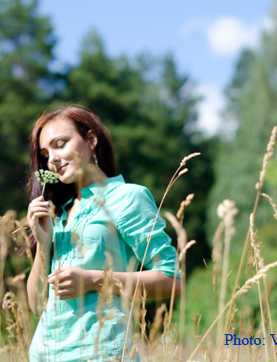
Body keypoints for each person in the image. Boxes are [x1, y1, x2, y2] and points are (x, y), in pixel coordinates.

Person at [25, 105, 182, 362]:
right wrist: (43, 246)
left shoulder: (128, 197)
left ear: (91, 139)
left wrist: (94, 280)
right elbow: (36, 305)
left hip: (102, 354)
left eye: (60, 144)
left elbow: (173, 281)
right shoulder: (58, 214)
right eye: (45, 153)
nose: (52, 158)